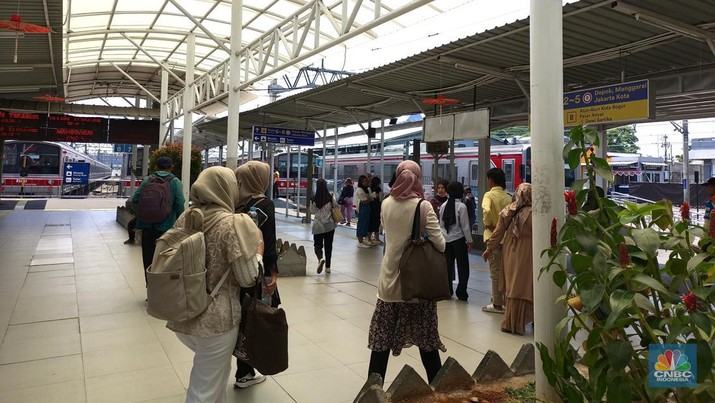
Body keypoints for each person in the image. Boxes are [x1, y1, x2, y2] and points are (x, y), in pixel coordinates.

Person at [168, 166, 264, 403]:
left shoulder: (186, 217)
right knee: (203, 391)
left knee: (216, 379)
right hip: (216, 322)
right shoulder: (232, 223)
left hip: (183, 311)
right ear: (226, 188)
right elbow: (248, 277)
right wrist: (258, 251)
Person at [367, 160, 446, 384]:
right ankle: (438, 390)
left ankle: (373, 391)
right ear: (419, 178)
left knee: (381, 344)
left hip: (389, 283)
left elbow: (387, 233)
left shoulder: (386, 203)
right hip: (417, 286)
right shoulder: (423, 206)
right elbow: (441, 244)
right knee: (427, 344)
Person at [233, 161, 281, 388]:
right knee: (255, 318)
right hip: (256, 270)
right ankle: (246, 372)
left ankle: (242, 369)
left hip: (235, 271)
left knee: (240, 317)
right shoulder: (264, 204)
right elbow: (268, 242)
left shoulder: (233, 202)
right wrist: (273, 273)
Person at [482, 183, 533, 335]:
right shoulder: (537, 213)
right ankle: (530, 318)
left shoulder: (507, 211)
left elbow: (497, 233)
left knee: (513, 285)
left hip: (511, 250)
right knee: (527, 285)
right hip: (530, 251)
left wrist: (489, 248)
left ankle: (511, 322)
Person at [132, 156, 185, 285]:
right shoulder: (175, 182)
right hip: (167, 229)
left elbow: (135, 200)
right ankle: (161, 291)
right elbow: (179, 203)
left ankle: (149, 287)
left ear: (156, 167)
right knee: (165, 260)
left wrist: (144, 214)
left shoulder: (147, 180)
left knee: (148, 259)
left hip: (147, 227)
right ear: (171, 167)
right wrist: (180, 223)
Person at [480, 168, 512, 314]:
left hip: (492, 236)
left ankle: (497, 303)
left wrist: (488, 222)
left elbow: (486, 210)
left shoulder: (489, 194)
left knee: (495, 272)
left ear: (491, 180)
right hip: (506, 238)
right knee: (506, 271)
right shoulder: (508, 196)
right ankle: (505, 300)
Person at [439, 181, 473, 301]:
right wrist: (469, 241)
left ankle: (448, 290)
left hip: (446, 240)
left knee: (448, 267)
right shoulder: (461, 207)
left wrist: (444, 237)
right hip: (459, 240)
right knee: (463, 267)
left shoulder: (443, 206)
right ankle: (461, 292)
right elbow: (465, 226)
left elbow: (441, 225)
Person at [310, 178, 337, 274]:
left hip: (318, 226)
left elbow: (312, 211)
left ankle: (320, 258)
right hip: (329, 225)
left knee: (317, 245)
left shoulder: (314, 199)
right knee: (328, 246)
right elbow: (336, 207)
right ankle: (328, 267)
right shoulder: (331, 197)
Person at [355, 175, 374, 248]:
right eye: (364, 181)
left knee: (365, 224)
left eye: (366, 181)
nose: (366, 182)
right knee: (361, 225)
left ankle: (362, 240)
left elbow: (369, 198)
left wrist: (370, 199)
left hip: (367, 209)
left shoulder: (367, 189)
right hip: (362, 209)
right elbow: (365, 200)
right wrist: (370, 199)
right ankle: (360, 242)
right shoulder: (359, 189)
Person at [368, 176, 384, 245]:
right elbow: (371, 197)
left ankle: (377, 238)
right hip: (372, 207)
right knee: (371, 223)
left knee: (377, 223)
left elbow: (380, 198)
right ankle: (369, 238)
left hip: (377, 207)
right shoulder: (369, 189)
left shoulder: (379, 190)